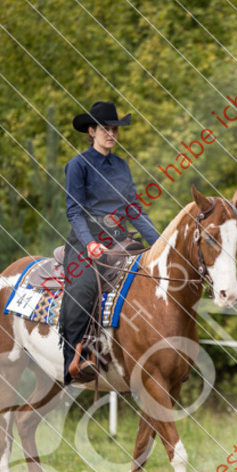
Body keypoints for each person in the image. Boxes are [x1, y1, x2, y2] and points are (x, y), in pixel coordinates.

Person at [60, 101, 161, 384]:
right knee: (82, 286)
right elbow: (74, 212)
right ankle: (74, 358)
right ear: (91, 131)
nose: (111, 134)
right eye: (105, 128)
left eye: (114, 129)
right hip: (86, 241)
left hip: (121, 239)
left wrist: (161, 243)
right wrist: (90, 244)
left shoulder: (121, 166)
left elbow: (134, 210)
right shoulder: (77, 166)